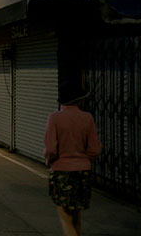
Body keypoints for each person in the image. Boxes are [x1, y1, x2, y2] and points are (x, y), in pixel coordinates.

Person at [43, 81, 102, 236]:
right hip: (83, 171)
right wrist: (83, 160)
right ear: (79, 99)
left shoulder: (54, 118)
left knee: (65, 216)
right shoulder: (87, 118)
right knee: (77, 216)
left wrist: (50, 161)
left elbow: (50, 149)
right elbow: (95, 149)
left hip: (62, 171)